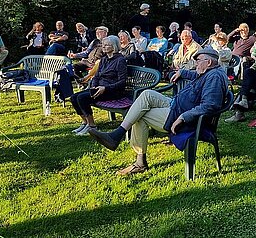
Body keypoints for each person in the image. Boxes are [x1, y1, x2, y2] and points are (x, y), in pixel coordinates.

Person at [88, 48, 228, 175]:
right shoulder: (209, 72)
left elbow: (210, 105)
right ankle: (118, 133)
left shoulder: (214, 77)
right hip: (176, 105)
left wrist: (183, 117)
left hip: (182, 116)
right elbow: (195, 75)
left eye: (197, 60)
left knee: (140, 116)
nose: (195, 63)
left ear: (208, 62)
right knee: (147, 94)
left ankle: (139, 162)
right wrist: (181, 72)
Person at [70, 35, 127, 136]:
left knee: (82, 98)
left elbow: (122, 82)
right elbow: (96, 76)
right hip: (99, 88)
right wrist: (94, 86)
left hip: (112, 91)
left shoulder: (120, 60)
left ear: (114, 46)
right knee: (74, 97)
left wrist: (105, 88)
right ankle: (85, 122)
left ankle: (92, 126)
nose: (104, 47)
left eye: (107, 45)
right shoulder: (104, 59)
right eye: (103, 45)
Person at [225, 32, 256, 123]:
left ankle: (239, 112)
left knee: (248, 85)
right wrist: (251, 73)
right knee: (248, 72)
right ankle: (243, 99)